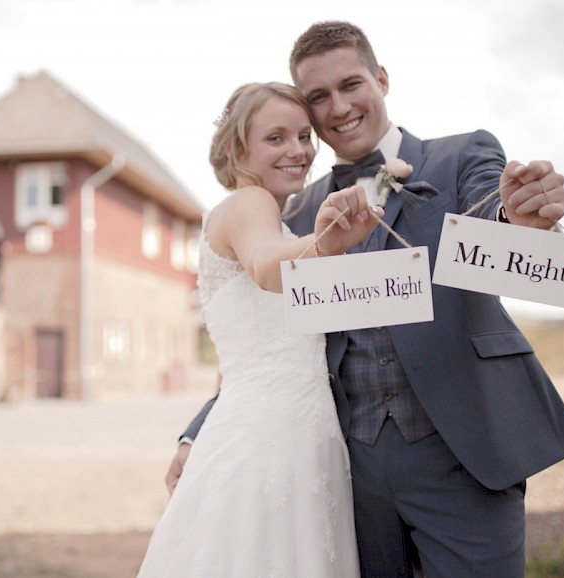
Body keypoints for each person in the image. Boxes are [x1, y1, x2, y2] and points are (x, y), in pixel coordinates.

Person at [167, 21, 564, 577]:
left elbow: (492, 209)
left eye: (351, 84)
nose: (337, 107)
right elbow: (267, 334)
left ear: (381, 79)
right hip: (347, 469)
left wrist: (517, 215)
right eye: (318, 97)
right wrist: (201, 429)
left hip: (462, 452)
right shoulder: (292, 207)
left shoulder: (460, 154)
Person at [137, 81, 383, 577]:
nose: (297, 151)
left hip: (276, 429)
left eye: (302, 136)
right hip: (273, 440)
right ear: (237, 148)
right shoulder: (250, 205)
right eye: (276, 138)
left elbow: (240, 361)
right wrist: (326, 243)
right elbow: (269, 267)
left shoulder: (264, 213)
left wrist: (193, 436)